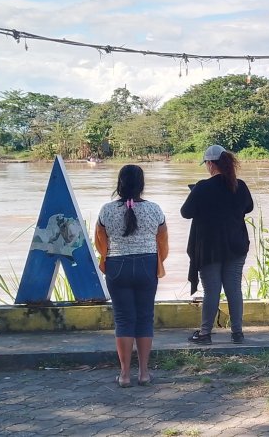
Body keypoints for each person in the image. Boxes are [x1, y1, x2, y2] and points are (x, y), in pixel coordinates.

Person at [94, 164, 168, 387]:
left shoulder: (106, 210)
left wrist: (108, 260)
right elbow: (162, 242)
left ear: (120, 184)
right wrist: (158, 263)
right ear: (141, 185)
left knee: (124, 319)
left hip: (117, 266)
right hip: (146, 265)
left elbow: (100, 241)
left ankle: (125, 375)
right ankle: (144, 373)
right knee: (145, 318)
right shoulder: (155, 209)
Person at [180, 145, 254, 345]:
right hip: (236, 246)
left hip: (209, 248)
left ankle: (205, 334)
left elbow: (185, 212)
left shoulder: (202, 187)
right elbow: (248, 207)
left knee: (212, 290)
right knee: (234, 289)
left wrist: (196, 193)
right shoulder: (240, 185)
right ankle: (237, 333)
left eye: (206, 163)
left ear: (211, 164)